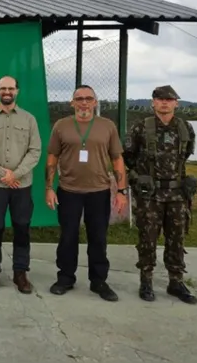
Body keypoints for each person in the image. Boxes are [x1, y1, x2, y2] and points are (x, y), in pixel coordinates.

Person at [45, 84, 128, 302]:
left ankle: (99, 281)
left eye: (88, 98)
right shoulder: (61, 126)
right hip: (68, 191)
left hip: (99, 192)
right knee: (68, 237)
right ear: (72, 103)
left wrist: (121, 191)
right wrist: (48, 188)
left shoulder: (107, 126)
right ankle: (65, 278)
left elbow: (117, 159)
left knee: (98, 238)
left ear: (95, 102)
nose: (84, 102)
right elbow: (52, 158)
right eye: (79, 98)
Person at [123, 85, 197, 304]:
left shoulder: (184, 128)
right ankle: (146, 280)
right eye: (160, 99)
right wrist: (139, 177)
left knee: (177, 237)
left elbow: (185, 155)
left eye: (169, 99)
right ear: (153, 102)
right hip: (150, 194)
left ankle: (176, 281)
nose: (164, 103)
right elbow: (129, 156)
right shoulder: (141, 127)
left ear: (176, 103)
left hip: (177, 194)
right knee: (147, 237)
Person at [0, 75, 42, 293]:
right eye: (3, 88)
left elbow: (35, 151)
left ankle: (20, 272)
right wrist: (3, 174)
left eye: (11, 88)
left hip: (21, 187)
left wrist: (17, 174)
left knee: (22, 228)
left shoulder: (29, 120)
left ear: (17, 91)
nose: (7, 92)